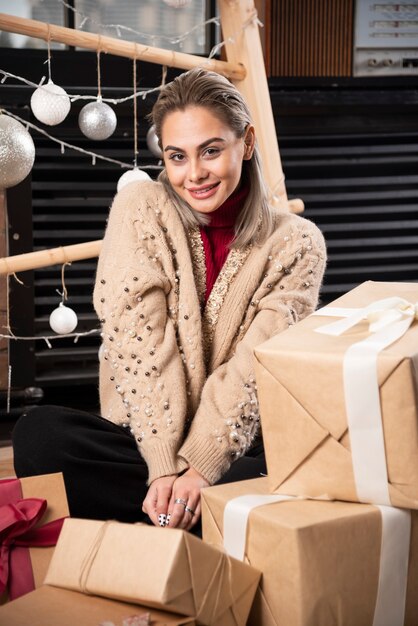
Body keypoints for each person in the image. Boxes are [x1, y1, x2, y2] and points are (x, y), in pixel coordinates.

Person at [13, 68, 326, 532]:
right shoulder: (140, 207)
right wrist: (164, 465)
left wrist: (202, 466)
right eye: (177, 156)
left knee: (286, 466)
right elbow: (137, 340)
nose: (194, 174)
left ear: (248, 143)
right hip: (141, 443)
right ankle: (198, 519)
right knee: (39, 437)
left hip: (235, 447)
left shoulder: (297, 242)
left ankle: (165, 517)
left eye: (212, 151)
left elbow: (258, 365)